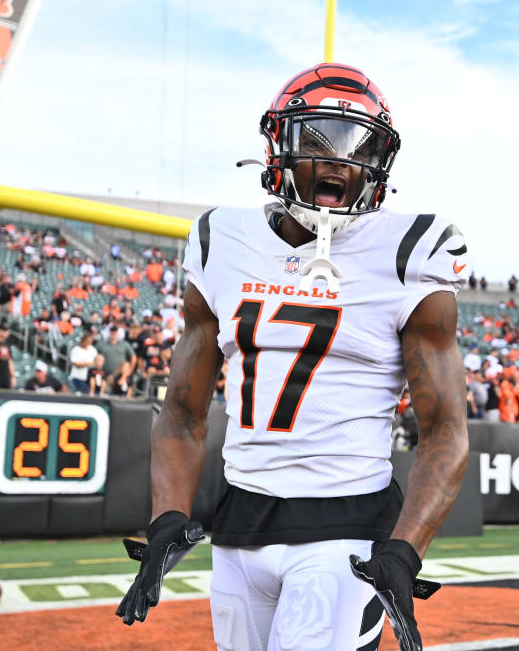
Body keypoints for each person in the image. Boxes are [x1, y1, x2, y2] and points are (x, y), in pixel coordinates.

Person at [115, 64, 468, 651]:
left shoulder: (410, 249)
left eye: (361, 145)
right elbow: (181, 410)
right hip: (238, 527)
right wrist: (167, 518)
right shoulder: (218, 239)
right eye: (320, 139)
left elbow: (445, 430)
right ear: (277, 144)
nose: (340, 160)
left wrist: (404, 551)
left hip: (345, 531)